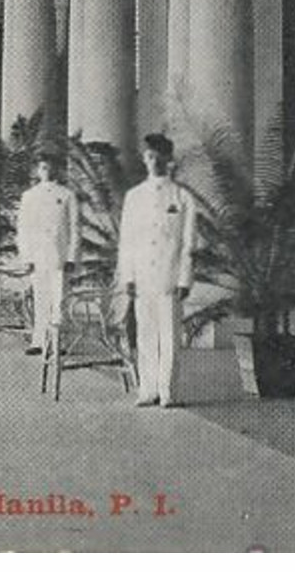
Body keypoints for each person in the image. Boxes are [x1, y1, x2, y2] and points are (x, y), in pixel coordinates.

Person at [117, 132, 196, 407]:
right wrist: (127, 276)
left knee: (170, 336)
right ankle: (147, 389)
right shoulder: (134, 197)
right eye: (148, 156)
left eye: (157, 156)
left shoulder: (182, 197)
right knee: (145, 333)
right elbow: (127, 241)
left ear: (168, 159)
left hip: (169, 275)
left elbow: (188, 242)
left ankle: (168, 391)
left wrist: (184, 277)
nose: (152, 161)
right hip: (142, 276)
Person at [17, 151, 79, 356]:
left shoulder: (67, 195)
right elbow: (23, 229)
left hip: (59, 254)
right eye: (43, 167)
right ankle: (39, 340)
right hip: (37, 255)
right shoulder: (29, 196)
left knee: (59, 299)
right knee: (40, 298)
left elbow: (74, 228)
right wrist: (26, 257)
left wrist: (71, 257)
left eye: (51, 166)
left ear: (57, 169)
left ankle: (57, 342)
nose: (47, 170)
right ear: (37, 170)